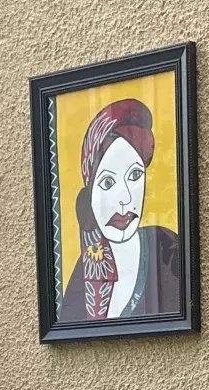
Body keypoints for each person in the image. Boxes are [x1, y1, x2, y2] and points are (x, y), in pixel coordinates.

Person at [59, 98, 183, 323]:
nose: (125, 199)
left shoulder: (167, 249)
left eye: (135, 176)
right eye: (107, 182)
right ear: (90, 192)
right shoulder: (84, 273)